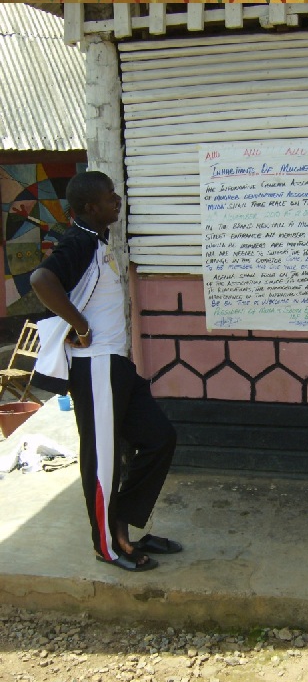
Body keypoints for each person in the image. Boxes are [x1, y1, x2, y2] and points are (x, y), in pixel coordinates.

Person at [30, 170, 180, 572]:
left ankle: (122, 524)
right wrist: (79, 325)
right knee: (103, 461)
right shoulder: (78, 240)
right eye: (110, 197)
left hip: (116, 365)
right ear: (90, 207)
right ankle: (107, 546)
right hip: (94, 367)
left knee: (158, 438)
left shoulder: (98, 242)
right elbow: (42, 279)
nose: (118, 201)